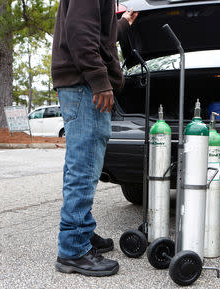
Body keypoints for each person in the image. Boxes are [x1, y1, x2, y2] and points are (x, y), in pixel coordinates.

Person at [51, 0, 138, 277]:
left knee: (81, 164)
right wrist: (100, 80)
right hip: (84, 85)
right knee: (84, 165)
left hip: (80, 83)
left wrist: (122, 24)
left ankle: (81, 231)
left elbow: (97, 33)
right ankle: (73, 249)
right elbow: (79, 31)